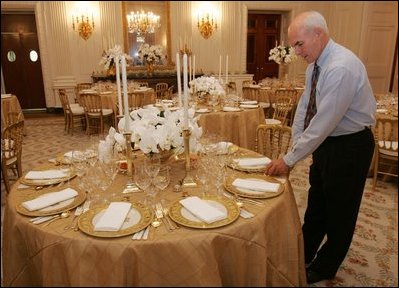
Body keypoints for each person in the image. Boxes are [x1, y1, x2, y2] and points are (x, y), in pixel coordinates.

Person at [264, 11, 376, 284]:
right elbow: (305, 109)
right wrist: (294, 146)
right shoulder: (316, 64)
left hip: (350, 146)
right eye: (293, 46)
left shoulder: (340, 67)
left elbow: (323, 122)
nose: (296, 51)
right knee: (317, 203)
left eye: (299, 44)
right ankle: (304, 254)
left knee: (341, 210)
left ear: (319, 34)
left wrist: (289, 160)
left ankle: (325, 266)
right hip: (328, 143)